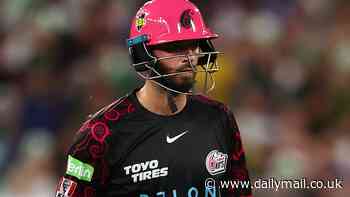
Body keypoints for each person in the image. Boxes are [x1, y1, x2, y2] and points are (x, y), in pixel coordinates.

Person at [55, 0, 252, 196]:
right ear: (143, 54)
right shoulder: (101, 134)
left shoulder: (219, 118)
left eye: (194, 45)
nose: (189, 57)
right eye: (175, 46)